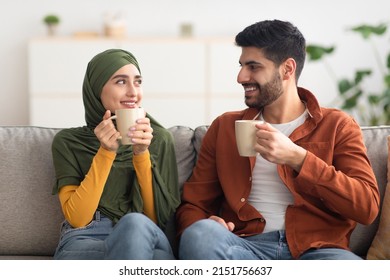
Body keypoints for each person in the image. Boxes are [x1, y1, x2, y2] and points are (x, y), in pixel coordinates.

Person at [175, 20, 380, 260]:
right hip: (244, 248)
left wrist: (299, 159)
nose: (241, 76)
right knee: (200, 234)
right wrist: (207, 222)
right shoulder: (225, 127)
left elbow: (366, 207)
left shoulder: (337, 125)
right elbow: (193, 205)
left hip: (318, 252)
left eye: (253, 67)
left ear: (287, 69)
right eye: (241, 65)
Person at [51, 49, 180, 259]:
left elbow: (156, 219)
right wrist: (106, 152)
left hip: (143, 234)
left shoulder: (159, 139)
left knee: (135, 223)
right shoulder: (68, 142)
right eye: (121, 82)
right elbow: (78, 218)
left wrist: (141, 154)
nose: (133, 92)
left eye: (137, 82)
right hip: (88, 236)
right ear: (96, 89)